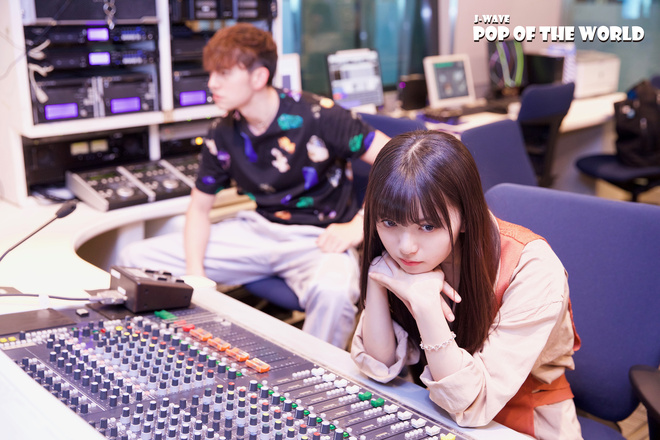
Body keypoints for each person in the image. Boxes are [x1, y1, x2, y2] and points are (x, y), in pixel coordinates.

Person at [119, 23, 390, 349]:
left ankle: (311, 373)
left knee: (333, 294)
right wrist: (195, 276)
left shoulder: (321, 115)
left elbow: (399, 163)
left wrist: (358, 225)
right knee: (135, 258)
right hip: (257, 231)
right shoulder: (222, 132)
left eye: (223, 73)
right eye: (211, 73)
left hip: (317, 240)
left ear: (259, 77)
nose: (211, 83)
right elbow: (199, 210)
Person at [350, 130, 583, 439]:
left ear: (465, 214)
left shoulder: (532, 268)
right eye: (390, 222)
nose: (406, 247)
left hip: (522, 421)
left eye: (427, 226)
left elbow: (472, 405)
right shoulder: (402, 256)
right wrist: (377, 279)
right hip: (435, 410)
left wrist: (426, 306)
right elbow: (378, 366)